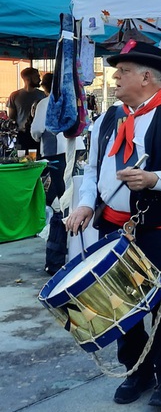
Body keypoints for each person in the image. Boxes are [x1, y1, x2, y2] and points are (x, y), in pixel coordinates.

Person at [65, 42, 161, 409]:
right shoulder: (109, 118)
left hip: (157, 225)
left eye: (123, 71)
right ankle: (136, 371)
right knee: (121, 302)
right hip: (112, 225)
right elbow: (93, 169)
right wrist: (85, 204)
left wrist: (154, 179)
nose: (115, 77)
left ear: (146, 77)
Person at [31, 72, 85, 275]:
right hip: (77, 148)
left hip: (56, 151)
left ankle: (62, 237)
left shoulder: (45, 103)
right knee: (72, 190)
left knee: (63, 198)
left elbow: (37, 130)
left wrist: (38, 137)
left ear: (45, 86)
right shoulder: (73, 98)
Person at [7, 67, 45, 151]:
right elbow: (11, 118)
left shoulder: (43, 95)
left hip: (38, 133)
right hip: (22, 134)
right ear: (28, 79)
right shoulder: (15, 95)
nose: (39, 79)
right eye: (36, 77)